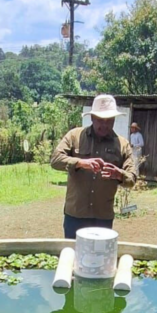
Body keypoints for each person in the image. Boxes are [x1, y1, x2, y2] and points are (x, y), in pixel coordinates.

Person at [51, 95, 138, 240]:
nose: (104, 125)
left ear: (114, 120)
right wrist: (80, 163)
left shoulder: (122, 145)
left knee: (101, 259)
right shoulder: (74, 136)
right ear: (91, 118)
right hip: (75, 215)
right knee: (73, 257)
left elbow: (132, 178)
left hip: (102, 218)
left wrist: (119, 175)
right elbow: (55, 160)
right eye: (100, 120)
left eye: (109, 121)